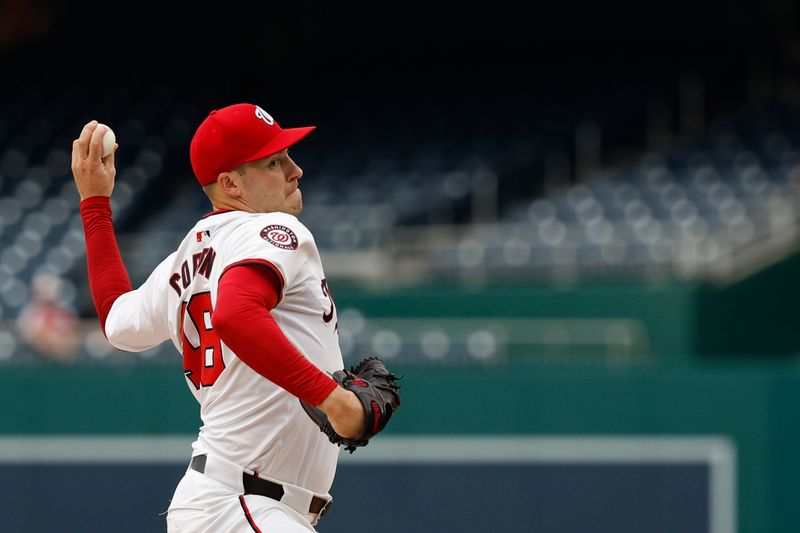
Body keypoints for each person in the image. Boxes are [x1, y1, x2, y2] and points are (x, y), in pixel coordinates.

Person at [70, 103, 367, 532]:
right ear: (230, 183)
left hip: (226, 503)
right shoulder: (272, 230)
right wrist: (331, 398)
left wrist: (95, 203)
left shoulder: (182, 261)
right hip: (245, 505)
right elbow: (236, 312)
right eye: (274, 162)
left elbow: (116, 319)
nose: (295, 170)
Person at [16, 272, 79, 362]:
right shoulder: (29, 312)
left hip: (62, 358)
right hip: (35, 358)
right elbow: (28, 337)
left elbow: (72, 338)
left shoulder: (65, 312)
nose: (47, 295)